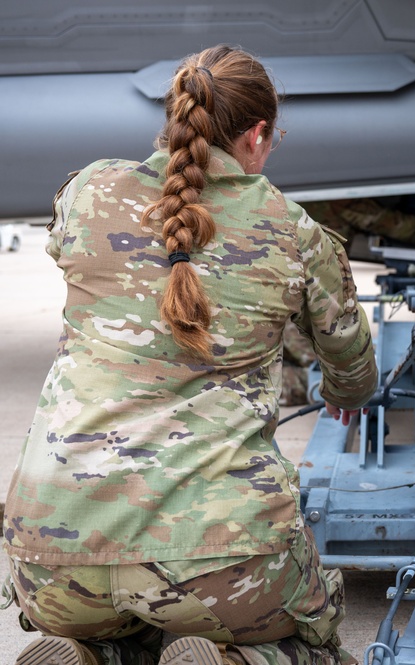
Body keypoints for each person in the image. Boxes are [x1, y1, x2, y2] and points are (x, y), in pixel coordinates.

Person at [3, 45, 378, 665]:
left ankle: (99, 655)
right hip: (223, 559)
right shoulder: (292, 229)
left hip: (52, 555)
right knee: (315, 642)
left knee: (121, 605)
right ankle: (240, 660)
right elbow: (351, 366)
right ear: (257, 135)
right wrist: (341, 393)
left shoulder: (87, 191)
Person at [279, 199, 415, 406]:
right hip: (302, 292)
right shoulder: (342, 195)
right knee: (320, 362)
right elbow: (385, 221)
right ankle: (306, 386)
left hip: (281, 287)